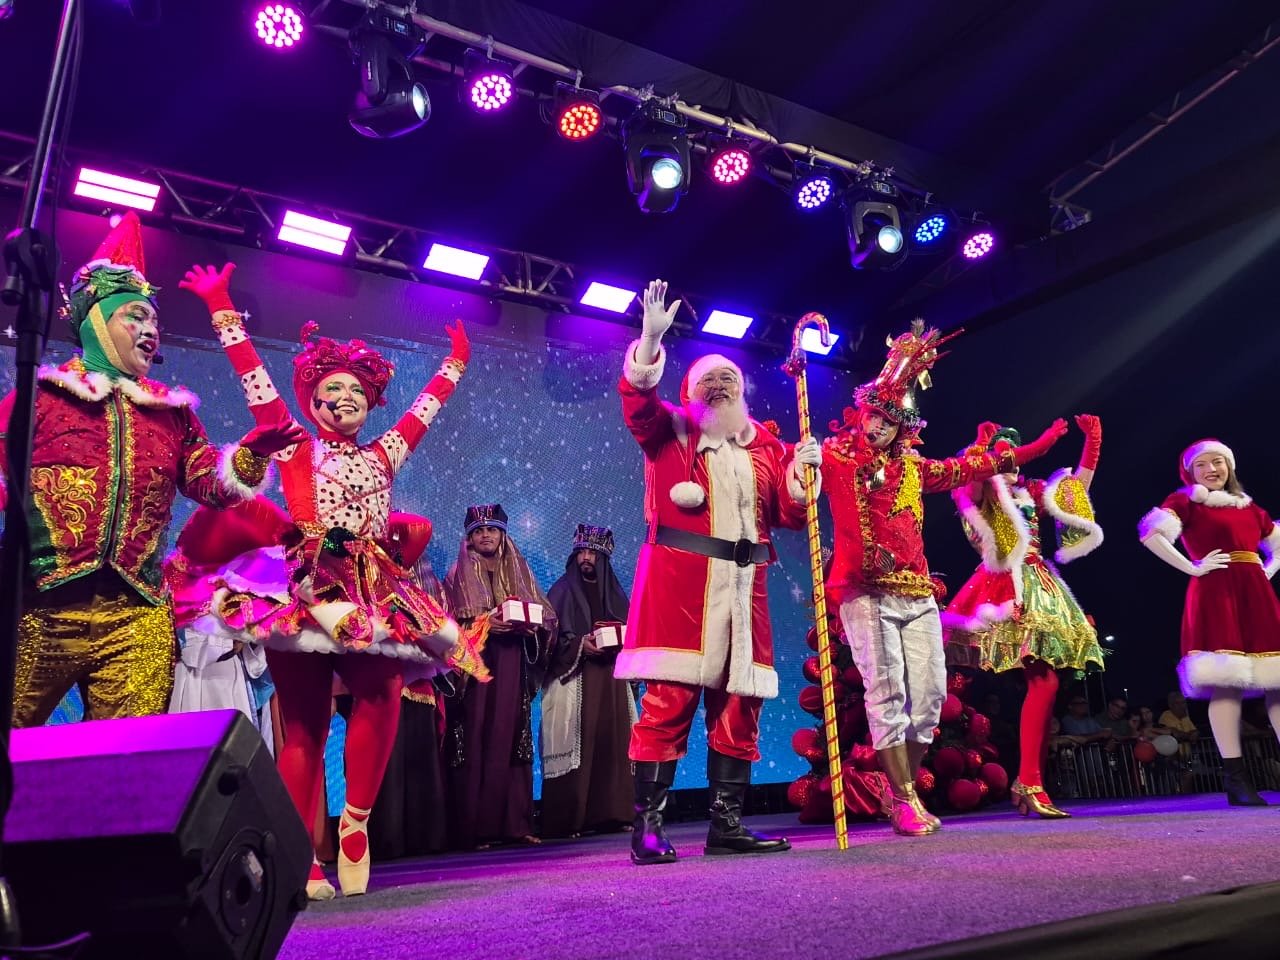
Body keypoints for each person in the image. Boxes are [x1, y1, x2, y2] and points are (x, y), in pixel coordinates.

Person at [178, 261, 478, 898]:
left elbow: (425, 412)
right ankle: (299, 853)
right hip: (307, 585)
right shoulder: (292, 446)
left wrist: (454, 365)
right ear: (312, 402)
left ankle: (357, 822)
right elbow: (254, 379)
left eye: (356, 394)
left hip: (373, 586)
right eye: (330, 393)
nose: (344, 401)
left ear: (370, 403)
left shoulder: (384, 452)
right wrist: (221, 306)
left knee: (383, 691)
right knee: (305, 722)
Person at [0, 213, 298, 727]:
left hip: (135, 614)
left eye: (155, 321)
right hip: (38, 604)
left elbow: (209, 481)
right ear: (96, 320)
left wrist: (250, 454)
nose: (151, 330)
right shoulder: (40, 397)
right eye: (135, 316)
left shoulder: (171, 410)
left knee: (124, 763)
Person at [817, 320, 1067, 836]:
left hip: (916, 593)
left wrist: (1036, 448)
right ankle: (904, 797)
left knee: (929, 700)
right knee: (886, 693)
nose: (876, 428)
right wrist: (798, 460)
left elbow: (977, 464)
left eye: (887, 421)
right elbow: (796, 476)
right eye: (871, 417)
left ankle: (896, 787)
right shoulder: (837, 458)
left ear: (903, 428)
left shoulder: (917, 469)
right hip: (864, 594)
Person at [615, 280, 817, 865]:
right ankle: (647, 828)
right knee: (669, 701)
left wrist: (804, 479)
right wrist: (650, 341)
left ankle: (725, 826)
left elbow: (788, 514)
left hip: (745, 591)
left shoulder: (767, 449)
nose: (721, 386)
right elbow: (637, 403)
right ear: (689, 393)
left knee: (739, 705)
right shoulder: (669, 433)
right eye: (708, 380)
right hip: (680, 585)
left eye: (729, 379)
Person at [941, 417, 1106, 819]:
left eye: (1013, 453)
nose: (1011, 459)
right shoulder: (983, 489)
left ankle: (1030, 780)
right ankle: (1029, 781)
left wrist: (1093, 443)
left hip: (1041, 585)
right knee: (1041, 681)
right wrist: (982, 450)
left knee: (1046, 684)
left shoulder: (1030, 491)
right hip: (1004, 584)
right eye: (1003, 451)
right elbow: (971, 483)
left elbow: (1075, 491)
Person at [1139, 440, 1280, 806]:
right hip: (1217, 593)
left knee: (1277, 684)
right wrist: (1193, 567)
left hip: (1257, 596)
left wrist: (1267, 570)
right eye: (1202, 465)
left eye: (1218, 462)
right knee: (1226, 685)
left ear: (1230, 466)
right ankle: (1236, 777)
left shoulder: (1251, 509)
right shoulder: (1186, 501)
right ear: (1190, 472)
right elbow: (1152, 535)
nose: (1212, 469)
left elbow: (1278, 546)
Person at [442, 503, 558, 849]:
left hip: (513, 668)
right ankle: (475, 829)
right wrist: (484, 624)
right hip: (477, 672)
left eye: (491, 530)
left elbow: (548, 618)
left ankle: (514, 825)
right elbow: (445, 625)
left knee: (513, 739)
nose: (485, 535)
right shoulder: (455, 575)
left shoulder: (520, 571)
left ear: (502, 535)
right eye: (478, 531)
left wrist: (531, 627)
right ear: (470, 538)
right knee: (477, 739)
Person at [164, 496, 295, 747]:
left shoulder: (244, 592)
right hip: (191, 680)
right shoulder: (182, 586)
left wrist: (247, 639)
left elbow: (257, 663)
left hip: (231, 680)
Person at [540, 523, 635, 839]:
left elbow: (633, 634)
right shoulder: (561, 591)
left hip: (612, 682)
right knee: (578, 741)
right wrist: (581, 644)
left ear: (603, 558)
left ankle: (613, 813)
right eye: (581, 551)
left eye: (592, 552)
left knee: (613, 743)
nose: (586, 557)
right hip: (578, 680)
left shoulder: (618, 595)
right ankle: (572, 817)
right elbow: (550, 638)